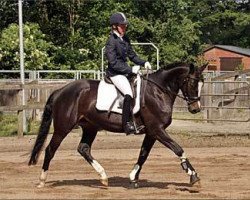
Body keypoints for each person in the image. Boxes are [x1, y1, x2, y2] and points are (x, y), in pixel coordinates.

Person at [105, 12, 152, 135]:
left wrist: (143, 62)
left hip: (124, 72)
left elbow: (132, 56)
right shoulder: (111, 41)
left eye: (125, 26)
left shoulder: (125, 39)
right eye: (122, 26)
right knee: (128, 93)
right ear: (115, 26)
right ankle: (126, 124)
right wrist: (130, 70)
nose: (125, 28)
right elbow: (113, 63)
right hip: (115, 73)